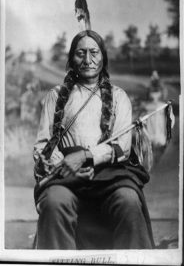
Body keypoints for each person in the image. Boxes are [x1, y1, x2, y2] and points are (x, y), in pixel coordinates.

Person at [33, 30, 155, 249]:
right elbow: (43, 145)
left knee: (128, 200)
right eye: (81, 53)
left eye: (94, 52)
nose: (88, 60)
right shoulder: (55, 96)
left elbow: (123, 148)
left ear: (103, 57)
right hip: (66, 174)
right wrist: (67, 166)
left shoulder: (119, 97)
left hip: (110, 174)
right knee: (54, 202)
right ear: (71, 59)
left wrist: (87, 156)